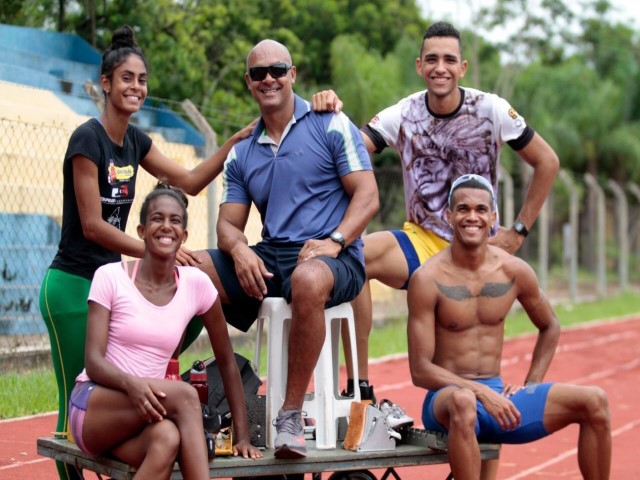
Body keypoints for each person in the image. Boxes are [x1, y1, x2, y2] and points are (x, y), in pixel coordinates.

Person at [38, 25, 256, 480]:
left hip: (112, 280)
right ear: (105, 83)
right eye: (126, 78)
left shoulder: (135, 142)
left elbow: (190, 183)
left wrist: (232, 145)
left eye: (142, 80)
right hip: (73, 282)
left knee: (161, 431)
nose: (136, 87)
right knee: (69, 412)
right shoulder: (87, 140)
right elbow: (94, 226)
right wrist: (157, 253)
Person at [313, 21, 560, 410]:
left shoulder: (491, 109)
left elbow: (547, 161)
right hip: (422, 240)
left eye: (449, 60)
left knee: (477, 345)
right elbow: (349, 150)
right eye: (431, 59)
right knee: (353, 255)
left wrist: (518, 230)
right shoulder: (403, 114)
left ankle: (508, 396)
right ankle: (359, 384)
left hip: (478, 248)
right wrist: (330, 115)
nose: (439, 67)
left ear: (462, 68)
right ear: (419, 65)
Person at [195, 39, 379, 459]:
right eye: (259, 73)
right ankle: (216, 394)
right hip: (273, 253)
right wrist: (240, 251)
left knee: (309, 277)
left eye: (278, 70)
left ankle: (290, 415)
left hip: (337, 254)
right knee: (194, 266)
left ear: (293, 74)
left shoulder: (330, 123)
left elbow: (367, 196)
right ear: (248, 83)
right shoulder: (242, 153)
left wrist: (335, 241)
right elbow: (227, 224)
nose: (269, 79)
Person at [406, 174, 611, 480]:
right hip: (447, 399)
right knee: (464, 402)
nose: (472, 217)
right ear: (449, 216)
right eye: (462, 209)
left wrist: (531, 382)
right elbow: (420, 370)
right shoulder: (427, 279)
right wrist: (480, 394)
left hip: (496, 397)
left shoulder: (514, 271)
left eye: (480, 209)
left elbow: (550, 325)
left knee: (595, 400)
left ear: (493, 217)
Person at [68, 183, 262, 480]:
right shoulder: (110, 277)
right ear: (141, 231)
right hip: (95, 407)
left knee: (168, 439)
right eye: (157, 219)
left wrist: (243, 435)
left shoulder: (196, 284)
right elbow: (93, 361)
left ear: (184, 236)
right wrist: (132, 385)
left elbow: (226, 363)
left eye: (175, 221)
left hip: (146, 414)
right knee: (185, 396)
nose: (166, 226)